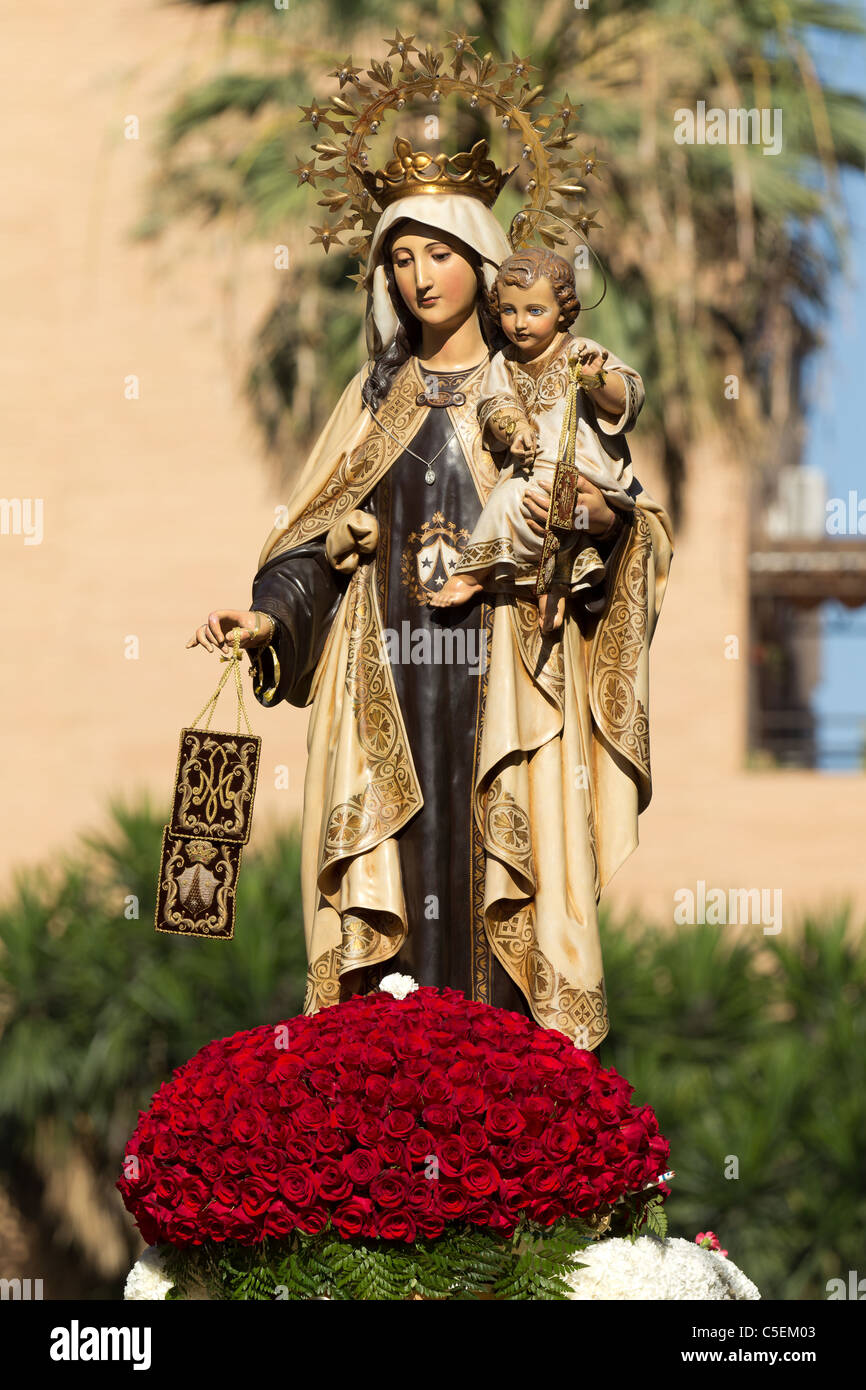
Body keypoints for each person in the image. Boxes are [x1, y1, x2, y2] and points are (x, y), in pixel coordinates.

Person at [186, 135, 674, 1051]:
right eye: (399, 257)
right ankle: (394, 1087)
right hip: (390, 685)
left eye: (439, 253)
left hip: (507, 685)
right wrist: (267, 614)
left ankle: (493, 1090)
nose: (419, 276)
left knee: (495, 865)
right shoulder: (374, 402)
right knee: (397, 893)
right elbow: (309, 543)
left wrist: (600, 524)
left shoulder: (533, 389)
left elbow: (628, 526)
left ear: (484, 263)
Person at [429, 248, 639, 633]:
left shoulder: (580, 352)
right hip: (530, 466)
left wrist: (595, 380)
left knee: (556, 504)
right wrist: (516, 430)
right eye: (508, 311)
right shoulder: (504, 362)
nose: (519, 323)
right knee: (514, 502)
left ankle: (536, 580)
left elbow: (627, 396)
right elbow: (495, 405)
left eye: (534, 311)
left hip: (580, 466)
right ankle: (532, 581)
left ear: (563, 310)